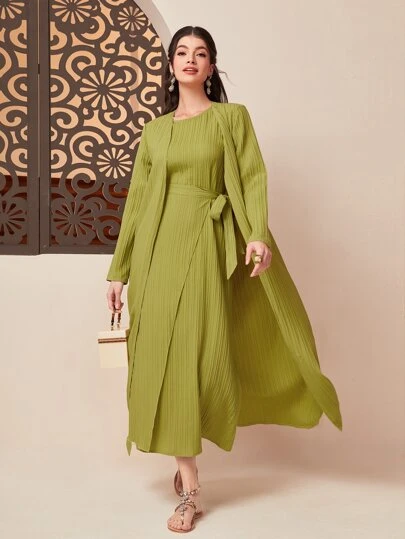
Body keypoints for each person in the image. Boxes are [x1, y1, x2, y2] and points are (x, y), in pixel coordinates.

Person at [106, 25, 343, 534]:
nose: (190, 59)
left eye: (201, 53)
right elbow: (138, 202)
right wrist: (118, 271)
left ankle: (190, 492)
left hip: (204, 245)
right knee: (157, 357)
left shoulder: (231, 119)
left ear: (211, 67)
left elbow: (252, 175)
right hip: (154, 254)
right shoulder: (155, 132)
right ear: (171, 65)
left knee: (191, 357)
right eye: (181, 52)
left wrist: (256, 233)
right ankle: (185, 470)